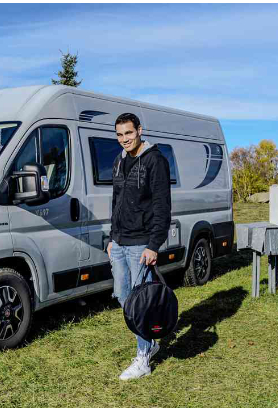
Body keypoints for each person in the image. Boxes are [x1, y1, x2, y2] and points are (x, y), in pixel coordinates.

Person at [107, 112, 171, 380]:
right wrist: (111, 238)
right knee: (123, 298)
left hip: (141, 244)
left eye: (129, 133)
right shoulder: (119, 161)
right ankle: (152, 342)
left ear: (140, 131)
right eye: (120, 134)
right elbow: (116, 201)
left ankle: (143, 359)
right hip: (120, 243)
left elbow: (162, 206)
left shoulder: (155, 161)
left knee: (140, 304)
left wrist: (154, 245)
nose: (124, 139)